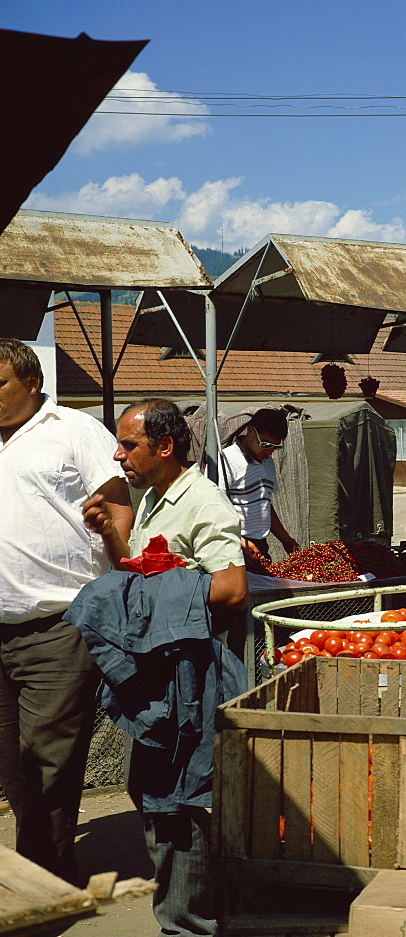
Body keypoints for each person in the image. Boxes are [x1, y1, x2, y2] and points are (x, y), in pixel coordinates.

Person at [83, 398, 246, 937]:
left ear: (165, 445)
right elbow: (141, 574)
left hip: (192, 680)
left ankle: (187, 924)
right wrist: (111, 533)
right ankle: (191, 909)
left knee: (178, 804)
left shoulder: (205, 503)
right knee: (150, 792)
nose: (118, 454)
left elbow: (229, 589)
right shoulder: (153, 496)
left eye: (128, 444)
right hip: (159, 681)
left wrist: (169, 584)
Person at [0, 338, 133, 883]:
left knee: (49, 761)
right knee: (13, 764)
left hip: (56, 626)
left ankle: (45, 880)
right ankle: (40, 867)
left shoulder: (72, 430)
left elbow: (119, 502)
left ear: (32, 383)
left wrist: (120, 582)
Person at [220, 408, 299, 563]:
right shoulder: (225, 461)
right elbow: (212, 510)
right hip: (231, 546)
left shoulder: (268, 462)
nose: (270, 451)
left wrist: (285, 539)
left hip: (259, 545)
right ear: (250, 431)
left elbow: (264, 504)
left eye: (275, 447)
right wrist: (238, 540)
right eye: (265, 444)